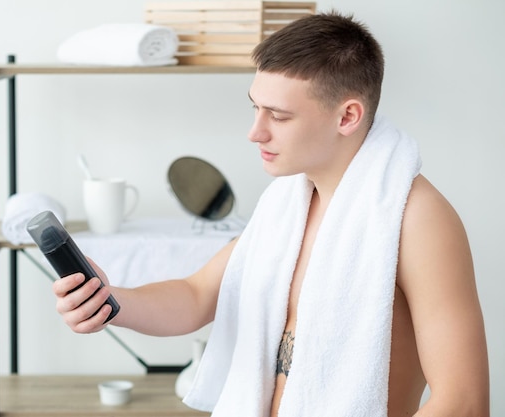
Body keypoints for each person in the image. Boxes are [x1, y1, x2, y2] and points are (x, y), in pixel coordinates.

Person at [52, 11, 489, 417]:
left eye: (278, 116)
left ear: (348, 116)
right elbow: (196, 295)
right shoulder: (287, 204)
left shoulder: (416, 219)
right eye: (255, 107)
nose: (255, 131)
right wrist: (109, 301)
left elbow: (464, 400)